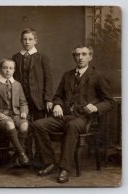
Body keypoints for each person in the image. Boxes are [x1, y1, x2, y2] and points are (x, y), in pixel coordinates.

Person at [32, 45, 115, 183]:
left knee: (72, 125)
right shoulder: (67, 75)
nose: (80, 57)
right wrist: (57, 104)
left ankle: (64, 168)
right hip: (65, 116)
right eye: (77, 55)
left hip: (84, 118)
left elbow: (109, 102)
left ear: (90, 57)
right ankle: (50, 162)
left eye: (84, 54)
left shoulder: (98, 76)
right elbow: (58, 96)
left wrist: (95, 107)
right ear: (74, 57)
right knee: (37, 125)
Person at [12, 28, 53, 167]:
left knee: (40, 129)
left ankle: (41, 158)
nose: (27, 42)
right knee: (25, 128)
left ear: (35, 40)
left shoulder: (42, 57)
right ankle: (25, 157)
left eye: (30, 39)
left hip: (39, 101)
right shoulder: (16, 58)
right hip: (23, 101)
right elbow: (13, 80)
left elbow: (48, 79)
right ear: (21, 40)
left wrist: (48, 99)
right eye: (24, 39)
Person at [0, 59, 29, 166]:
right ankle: (22, 154)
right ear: (0, 69)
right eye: (5, 68)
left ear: (14, 70)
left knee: (24, 125)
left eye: (10, 68)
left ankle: (16, 155)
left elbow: (23, 102)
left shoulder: (17, 84)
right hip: (0, 116)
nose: (7, 71)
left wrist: (23, 111)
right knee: (9, 124)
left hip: (15, 114)